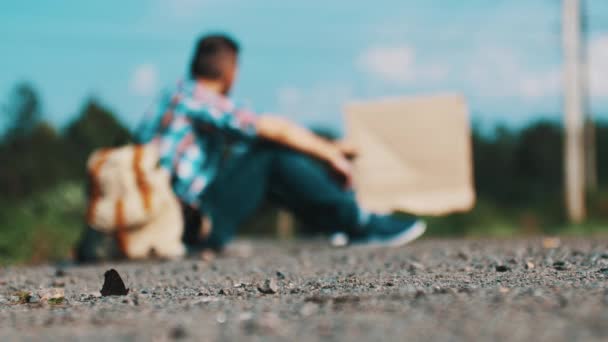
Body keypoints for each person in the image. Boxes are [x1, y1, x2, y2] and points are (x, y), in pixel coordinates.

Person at [136, 34, 426, 252]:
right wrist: (330, 154)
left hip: (160, 221)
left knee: (253, 156)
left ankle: (338, 225)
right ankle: (358, 222)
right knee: (268, 155)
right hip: (185, 225)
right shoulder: (197, 98)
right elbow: (272, 129)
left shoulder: (170, 97)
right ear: (230, 71)